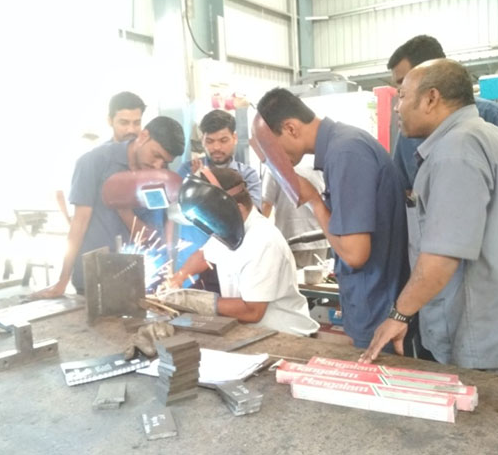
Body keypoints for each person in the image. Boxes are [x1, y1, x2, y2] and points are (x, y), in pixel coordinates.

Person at [359, 59, 498, 382]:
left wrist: (399, 315)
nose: (397, 107)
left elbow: (443, 255)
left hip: (488, 339)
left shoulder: (457, 149)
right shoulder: (492, 136)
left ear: (431, 98)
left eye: (402, 96)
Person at [255, 88, 409, 349]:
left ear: (291, 128)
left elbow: (355, 254)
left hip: (378, 309)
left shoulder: (346, 152)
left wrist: (314, 201)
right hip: (371, 304)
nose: (274, 159)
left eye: (271, 148)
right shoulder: (342, 147)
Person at [32, 92, 184, 298]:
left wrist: (169, 272)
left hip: (141, 280)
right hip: (96, 279)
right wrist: (62, 280)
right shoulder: (94, 162)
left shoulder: (158, 175)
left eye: (165, 161)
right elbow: (79, 224)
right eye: (156, 155)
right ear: (144, 137)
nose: (158, 165)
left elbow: (154, 233)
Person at [167, 167, 319, 337]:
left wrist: (193, 301)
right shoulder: (229, 229)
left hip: (284, 335)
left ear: (237, 209)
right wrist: (177, 279)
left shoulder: (263, 241)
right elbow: (203, 256)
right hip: (251, 332)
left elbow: (252, 312)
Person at [388, 34, 498, 191]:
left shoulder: (492, 116)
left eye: (403, 83)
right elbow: (403, 187)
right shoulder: (409, 132)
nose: (399, 95)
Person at [176, 109, 261, 292]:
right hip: (194, 260)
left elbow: (251, 214)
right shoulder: (188, 171)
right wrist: (195, 183)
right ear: (202, 140)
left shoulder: (246, 175)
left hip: (232, 257)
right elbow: (176, 212)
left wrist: (209, 188)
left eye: (223, 140)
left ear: (234, 138)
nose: (216, 148)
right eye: (210, 141)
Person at [262, 163, 329, 269]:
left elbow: (266, 205)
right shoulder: (318, 162)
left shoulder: (274, 163)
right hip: (320, 237)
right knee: (317, 277)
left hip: (290, 237)